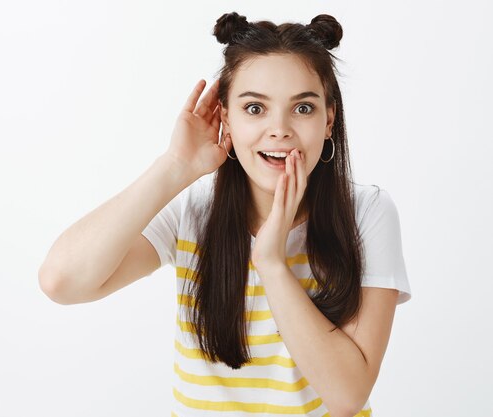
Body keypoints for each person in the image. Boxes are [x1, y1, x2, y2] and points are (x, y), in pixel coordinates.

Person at [38, 11, 412, 417]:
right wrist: (175, 166)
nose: (280, 129)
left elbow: (346, 397)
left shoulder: (367, 213)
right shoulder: (193, 210)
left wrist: (271, 262)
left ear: (329, 120)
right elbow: (62, 282)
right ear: (226, 119)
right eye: (255, 109)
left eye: (303, 109)